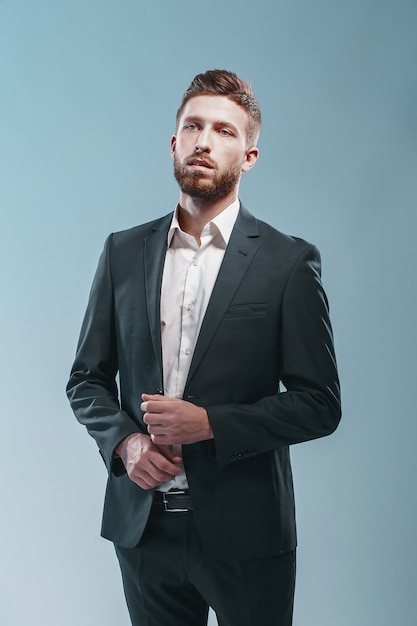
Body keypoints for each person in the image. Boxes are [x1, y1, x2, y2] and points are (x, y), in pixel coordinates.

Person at [67, 69, 341, 626]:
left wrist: (209, 423)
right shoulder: (122, 252)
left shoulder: (288, 263)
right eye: (192, 126)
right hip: (144, 531)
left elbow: (319, 404)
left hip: (249, 532)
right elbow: (86, 380)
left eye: (223, 130)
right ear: (174, 143)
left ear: (250, 156)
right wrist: (126, 446)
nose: (204, 141)